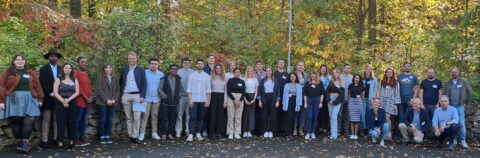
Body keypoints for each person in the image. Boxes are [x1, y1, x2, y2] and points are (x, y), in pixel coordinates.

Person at [0, 55, 44, 152]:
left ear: (25, 61)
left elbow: (38, 86)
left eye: (22, 60)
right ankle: (20, 144)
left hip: (30, 98)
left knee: (30, 119)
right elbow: (2, 87)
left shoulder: (30, 72)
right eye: (18, 60)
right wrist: (1, 101)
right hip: (14, 98)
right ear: (14, 62)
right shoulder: (8, 73)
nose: (20, 61)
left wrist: (40, 99)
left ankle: (24, 143)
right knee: (16, 121)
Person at [119, 52, 147, 144]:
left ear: (136, 59)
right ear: (128, 59)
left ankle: (135, 136)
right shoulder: (124, 69)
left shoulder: (141, 70)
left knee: (137, 117)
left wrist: (142, 96)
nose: (131, 60)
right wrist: (121, 94)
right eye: (130, 58)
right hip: (126, 95)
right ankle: (130, 135)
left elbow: (144, 83)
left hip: (137, 95)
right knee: (128, 117)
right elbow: (121, 82)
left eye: (133, 58)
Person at [444, 67, 473, 148]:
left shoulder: (464, 81)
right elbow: (444, 94)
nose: (454, 73)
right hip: (450, 107)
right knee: (453, 124)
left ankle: (463, 141)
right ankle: (454, 140)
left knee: (461, 124)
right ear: (451, 73)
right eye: (453, 72)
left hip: (460, 106)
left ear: (458, 72)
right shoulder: (448, 82)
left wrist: (467, 103)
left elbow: (470, 92)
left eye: (455, 72)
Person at [39, 48, 62, 149]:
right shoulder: (43, 69)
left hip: (59, 98)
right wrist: (52, 93)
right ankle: (44, 141)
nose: (53, 58)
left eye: (55, 56)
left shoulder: (62, 69)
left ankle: (56, 139)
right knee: (46, 119)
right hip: (48, 97)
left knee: (57, 119)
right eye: (51, 56)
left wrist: (59, 95)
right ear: (48, 58)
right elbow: (42, 82)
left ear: (57, 58)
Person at [53, 63, 79, 149]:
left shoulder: (74, 79)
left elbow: (77, 92)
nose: (67, 69)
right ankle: (60, 142)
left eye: (69, 68)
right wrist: (63, 101)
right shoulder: (58, 80)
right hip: (60, 103)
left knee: (71, 123)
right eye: (66, 68)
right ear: (63, 69)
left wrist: (68, 100)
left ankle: (71, 141)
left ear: (71, 70)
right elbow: (55, 93)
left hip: (72, 102)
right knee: (61, 123)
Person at [95, 63, 120, 144]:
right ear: (104, 69)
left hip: (112, 103)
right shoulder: (100, 78)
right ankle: (101, 136)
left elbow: (118, 90)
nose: (108, 70)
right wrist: (106, 100)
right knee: (103, 120)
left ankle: (107, 135)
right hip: (103, 103)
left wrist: (114, 100)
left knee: (110, 120)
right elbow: (99, 90)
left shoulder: (115, 78)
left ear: (112, 69)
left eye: (110, 68)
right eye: (106, 68)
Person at [186, 59, 211, 142]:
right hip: (193, 100)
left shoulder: (207, 76)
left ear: (203, 65)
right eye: (198, 64)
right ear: (196, 65)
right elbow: (189, 89)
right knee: (192, 117)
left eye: (201, 64)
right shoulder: (192, 75)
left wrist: (208, 101)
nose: (200, 65)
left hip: (203, 100)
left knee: (201, 117)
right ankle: (190, 134)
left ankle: (198, 133)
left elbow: (208, 90)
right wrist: (190, 100)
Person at [139, 58, 164, 141]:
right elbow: (140, 85)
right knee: (144, 116)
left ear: (158, 65)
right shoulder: (144, 73)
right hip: (146, 98)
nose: (154, 65)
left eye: (155, 64)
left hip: (157, 99)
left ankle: (154, 133)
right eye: (152, 63)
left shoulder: (161, 74)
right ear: (149, 64)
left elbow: (163, 87)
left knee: (155, 116)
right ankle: (142, 133)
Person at [158, 64, 182, 140]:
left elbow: (181, 90)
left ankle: (170, 134)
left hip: (174, 103)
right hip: (165, 103)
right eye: (172, 69)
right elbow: (159, 89)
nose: (174, 70)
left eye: (175, 69)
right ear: (170, 70)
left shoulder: (179, 79)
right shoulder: (164, 78)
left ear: (177, 70)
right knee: (164, 119)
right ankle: (164, 133)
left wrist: (179, 97)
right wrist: (164, 96)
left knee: (172, 119)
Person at [376, 68, 401, 140]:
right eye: (387, 72)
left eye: (390, 72)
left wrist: (396, 104)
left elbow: (397, 93)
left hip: (391, 102)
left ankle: (389, 133)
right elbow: (380, 92)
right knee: (382, 117)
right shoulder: (382, 81)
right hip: (383, 101)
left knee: (387, 118)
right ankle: (381, 132)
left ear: (393, 73)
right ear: (385, 73)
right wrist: (379, 102)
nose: (389, 73)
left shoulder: (396, 82)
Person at [73, 57, 93, 146]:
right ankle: (76, 138)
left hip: (86, 101)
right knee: (77, 120)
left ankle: (82, 137)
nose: (84, 64)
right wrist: (86, 97)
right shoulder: (75, 72)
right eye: (82, 62)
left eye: (85, 62)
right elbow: (77, 87)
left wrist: (91, 96)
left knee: (83, 120)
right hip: (79, 100)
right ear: (78, 63)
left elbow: (88, 86)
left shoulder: (85, 73)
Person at [258, 66, 280, 138]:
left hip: (273, 99)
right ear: (265, 72)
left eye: (269, 71)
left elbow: (278, 92)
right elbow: (260, 92)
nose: (268, 72)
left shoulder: (275, 80)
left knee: (272, 116)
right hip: (264, 98)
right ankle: (265, 131)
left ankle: (271, 131)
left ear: (271, 72)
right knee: (264, 116)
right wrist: (260, 101)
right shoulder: (262, 80)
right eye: (267, 71)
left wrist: (277, 101)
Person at [207, 64, 227, 139]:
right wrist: (208, 100)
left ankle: (219, 132)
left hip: (221, 96)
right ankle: (212, 132)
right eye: (217, 68)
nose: (218, 70)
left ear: (222, 70)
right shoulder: (211, 78)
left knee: (220, 115)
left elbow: (226, 90)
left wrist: (225, 101)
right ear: (215, 69)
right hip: (213, 96)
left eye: (220, 68)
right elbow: (209, 89)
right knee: (212, 114)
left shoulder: (225, 78)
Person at [175, 58, 194, 138]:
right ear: (182, 63)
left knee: (188, 115)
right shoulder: (178, 72)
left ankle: (187, 130)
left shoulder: (193, 72)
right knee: (179, 114)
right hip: (181, 96)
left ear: (190, 63)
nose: (186, 64)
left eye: (187, 62)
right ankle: (178, 131)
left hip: (190, 97)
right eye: (184, 62)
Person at [303, 70, 324, 140]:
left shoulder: (320, 83)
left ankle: (312, 132)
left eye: (314, 75)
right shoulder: (307, 83)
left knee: (315, 118)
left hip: (317, 100)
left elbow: (322, 93)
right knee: (309, 117)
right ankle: (308, 132)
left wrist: (321, 102)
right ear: (310, 75)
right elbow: (305, 94)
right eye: (312, 75)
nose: (313, 76)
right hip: (309, 101)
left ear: (316, 76)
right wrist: (305, 103)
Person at [282, 72, 303, 140]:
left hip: (295, 101)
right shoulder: (286, 85)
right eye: (291, 76)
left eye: (294, 76)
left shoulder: (299, 86)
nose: (292, 77)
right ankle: (287, 133)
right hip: (288, 101)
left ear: (296, 77)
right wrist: (283, 104)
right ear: (289, 77)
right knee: (289, 117)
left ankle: (290, 133)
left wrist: (299, 105)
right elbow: (284, 95)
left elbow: (300, 96)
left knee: (293, 118)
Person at [325, 69, 345, 140]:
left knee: (334, 117)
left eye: (336, 72)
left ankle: (334, 134)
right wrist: (329, 100)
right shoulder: (331, 82)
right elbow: (327, 91)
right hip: (330, 100)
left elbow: (342, 94)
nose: (334, 74)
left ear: (338, 73)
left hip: (337, 101)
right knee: (331, 117)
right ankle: (331, 133)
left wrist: (335, 101)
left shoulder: (341, 82)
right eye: (333, 73)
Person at [226, 68, 245, 139]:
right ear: (233, 73)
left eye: (238, 72)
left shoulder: (242, 81)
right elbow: (228, 91)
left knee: (238, 117)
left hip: (240, 99)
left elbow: (243, 92)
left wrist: (240, 100)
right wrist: (234, 100)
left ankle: (237, 133)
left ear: (240, 73)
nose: (237, 73)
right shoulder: (230, 80)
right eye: (236, 72)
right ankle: (230, 133)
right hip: (231, 98)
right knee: (231, 117)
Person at [242, 66, 258, 138]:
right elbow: (242, 91)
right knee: (245, 115)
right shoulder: (243, 79)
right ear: (246, 72)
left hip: (253, 97)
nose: (249, 72)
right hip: (245, 96)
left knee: (251, 115)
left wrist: (254, 99)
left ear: (253, 72)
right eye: (248, 71)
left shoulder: (255, 80)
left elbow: (256, 90)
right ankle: (245, 131)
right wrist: (245, 99)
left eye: (251, 71)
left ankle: (249, 131)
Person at [361, 64, 378, 132]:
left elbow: (375, 88)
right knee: (362, 115)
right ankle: (363, 129)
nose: (368, 70)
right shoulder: (362, 78)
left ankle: (369, 130)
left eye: (370, 69)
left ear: (371, 70)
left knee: (370, 115)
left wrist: (374, 98)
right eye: (367, 69)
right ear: (365, 70)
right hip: (363, 99)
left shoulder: (374, 79)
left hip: (370, 99)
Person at [202, 54, 215, 137]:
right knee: (204, 113)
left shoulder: (216, 68)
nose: (211, 59)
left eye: (212, 58)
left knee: (212, 113)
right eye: (210, 58)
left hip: (215, 93)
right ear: (207, 59)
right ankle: (204, 130)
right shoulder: (204, 68)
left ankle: (212, 130)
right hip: (205, 93)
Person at [347, 74, 364, 140]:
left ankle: (355, 134)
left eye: (358, 78)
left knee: (357, 119)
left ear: (359, 79)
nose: (356, 79)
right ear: (353, 78)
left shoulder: (361, 86)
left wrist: (360, 102)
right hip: (351, 102)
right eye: (355, 78)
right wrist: (350, 101)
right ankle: (352, 134)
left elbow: (362, 96)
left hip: (358, 102)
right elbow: (348, 94)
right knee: (352, 119)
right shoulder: (350, 85)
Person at [274, 60, 288, 133]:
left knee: (283, 113)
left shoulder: (286, 74)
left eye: (282, 63)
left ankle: (283, 129)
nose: (281, 64)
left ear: (284, 64)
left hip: (284, 96)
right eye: (280, 63)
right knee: (275, 113)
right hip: (275, 96)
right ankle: (276, 129)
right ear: (277, 64)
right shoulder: (274, 73)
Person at [294, 62, 307, 136]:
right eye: (299, 65)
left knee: (302, 113)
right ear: (297, 66)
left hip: (303, 96)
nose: (300, 67)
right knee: (295, 112)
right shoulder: (293, 74)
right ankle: (294, 128)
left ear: (303, 67)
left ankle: (300, 129)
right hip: (295, 95)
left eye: (302, 65)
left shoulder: (306, 75)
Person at [340, 64, 353, 136]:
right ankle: (339, 130)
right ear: (343, 69)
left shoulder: (352, 77)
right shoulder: (340, 76)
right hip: (340, 99)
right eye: (346, 68)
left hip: (349, 99)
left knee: (347, 116)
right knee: (340, 115)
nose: (347, 69)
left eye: (348, 68)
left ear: (350, 69)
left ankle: (346, 131)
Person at [318, 64, 331, 134]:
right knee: (319, 112)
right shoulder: (317, 77)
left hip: (326, 96)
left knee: (326, 113)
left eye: (324, 69)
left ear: (326, 70)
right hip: (319, 96)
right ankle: (319, 127)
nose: (323, 70)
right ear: (320, 69)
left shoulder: (329, 77)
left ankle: (326, 128)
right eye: (322, 69)